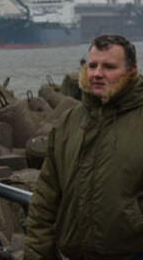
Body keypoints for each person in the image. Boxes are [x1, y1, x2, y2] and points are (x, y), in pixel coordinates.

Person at [25, 34, 143, 259]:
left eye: (109, 67)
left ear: (131, 71)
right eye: (93, 65)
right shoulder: (69, 123)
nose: (98, 74)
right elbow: (45, 199)